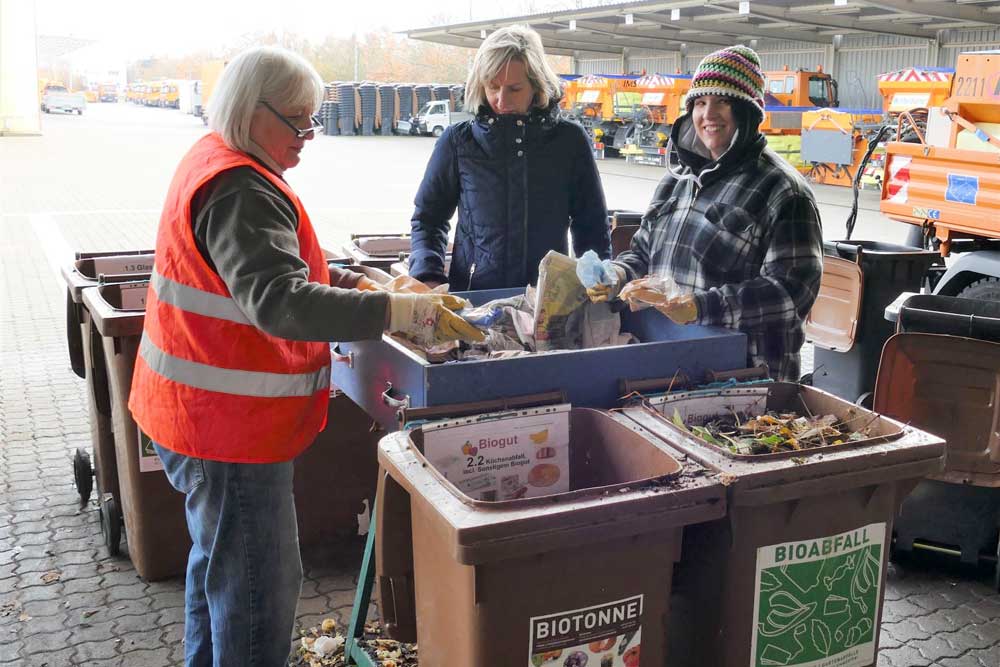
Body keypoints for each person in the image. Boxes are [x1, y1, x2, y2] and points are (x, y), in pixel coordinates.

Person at [127, 46, 481, 667]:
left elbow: (272, 274)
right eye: (297, 121)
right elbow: (277, 300)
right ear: (250, 109)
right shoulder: (240, 187)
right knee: (257, 591)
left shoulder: (220, 159)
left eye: (313, 120)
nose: (308, 136)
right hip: (226, 428)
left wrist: (358, 287)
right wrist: (397, 313)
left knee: (220, 572)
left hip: (193, 415)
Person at [589, 45, 823, 381]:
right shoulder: (676, 181)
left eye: (723, 101)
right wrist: (615, 275)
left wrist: (700, 306)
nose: (708, 114)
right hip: (672, 363)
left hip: (745, 376)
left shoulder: (783, 190)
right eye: (700, 102)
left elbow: (793, 291)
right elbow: (643, 254)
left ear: (748, 113)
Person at [408, 24, 612, 291]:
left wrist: (598, 280)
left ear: (537, 85)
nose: (501, 100)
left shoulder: (570, 141)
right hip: (474, 303)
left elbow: (592, 226)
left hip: (547, 304)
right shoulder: (457, 142)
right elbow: (428, 219)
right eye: (493, 87)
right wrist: (427, 273)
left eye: (514, 89)